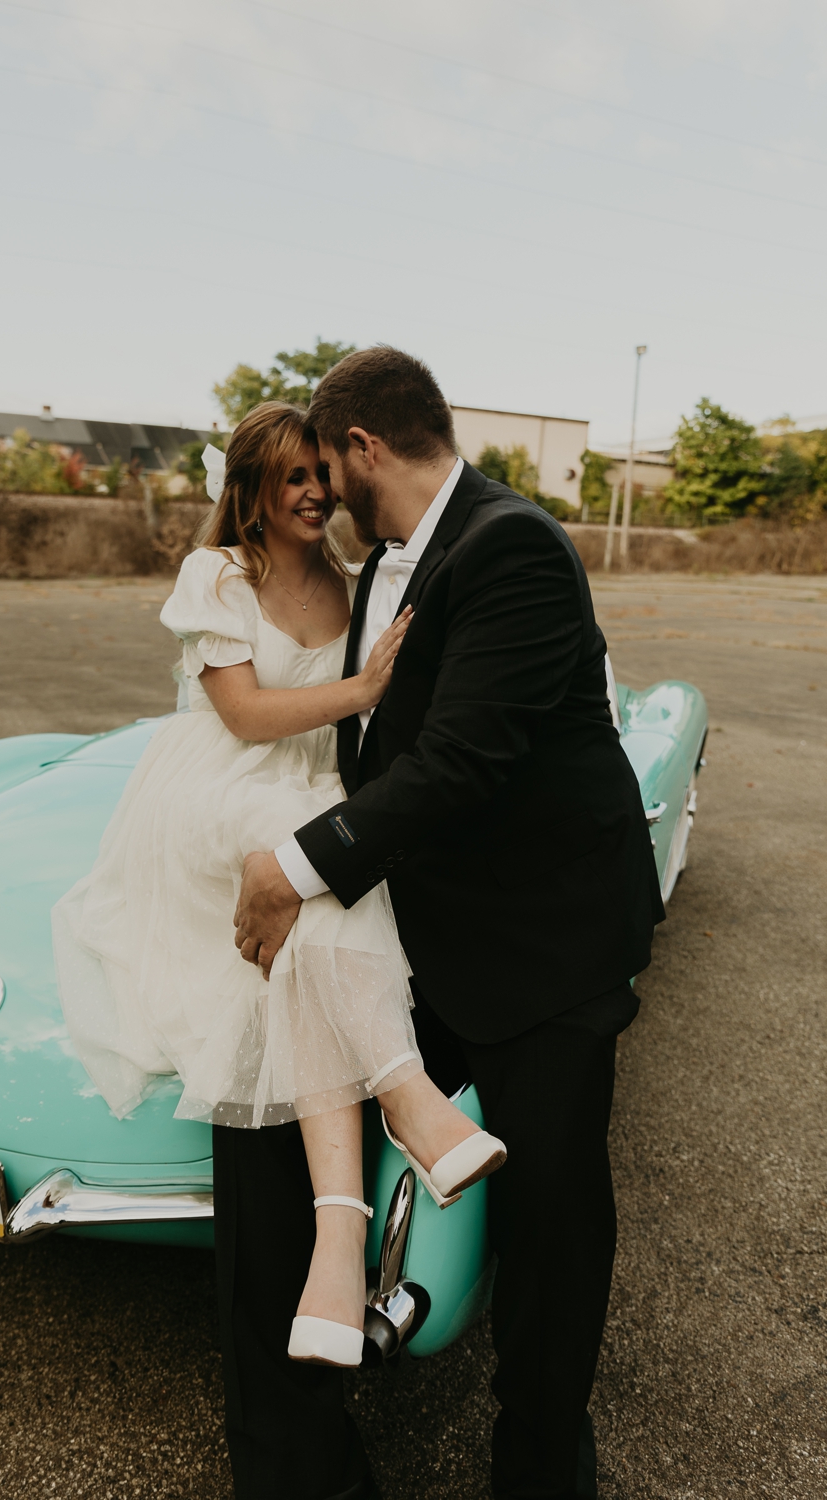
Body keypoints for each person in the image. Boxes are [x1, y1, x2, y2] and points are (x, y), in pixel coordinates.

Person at [228, 348, 663, 1499]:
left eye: (328, 467)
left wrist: (292, 867)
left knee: (553, 1212)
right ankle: (301, 1427)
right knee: (266, 1095)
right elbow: (371, 744)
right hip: (424, 919)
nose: (322, 494)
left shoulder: (510, 543)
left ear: (365, 447)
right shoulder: (388, 562)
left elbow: (460, 761)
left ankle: (536, 1459)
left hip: (543, 936)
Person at [53, 399, 505, 1375]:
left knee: (338, 892)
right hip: (218, 787)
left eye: (319, 475)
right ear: (251, 494)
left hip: (311, 786)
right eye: (290, 478)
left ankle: (336, 1240)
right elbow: (249, 717)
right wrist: (361, 691)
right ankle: (404, 1095)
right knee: (296, 859)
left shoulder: (354, 581)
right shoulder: (215, 574)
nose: (312, 492)